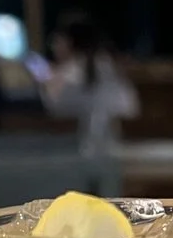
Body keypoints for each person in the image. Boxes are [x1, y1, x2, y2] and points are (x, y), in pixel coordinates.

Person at [39, 13, 137, 155]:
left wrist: (48, 81)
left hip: (94, 145)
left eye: (57, 42)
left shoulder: (78, 68)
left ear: (70, 42)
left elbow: (54, 104)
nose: (54, 47)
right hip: (108, 143)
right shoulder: (104, 62)